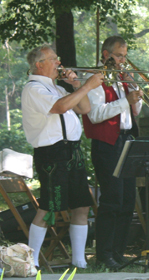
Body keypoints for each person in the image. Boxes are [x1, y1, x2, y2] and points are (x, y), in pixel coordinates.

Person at [22, 45, 104, 268]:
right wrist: (87, 85)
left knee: (81, 205)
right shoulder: (33, 88)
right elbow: (60, 108)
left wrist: (78, 85)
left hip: (72, 151)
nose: (59, 63)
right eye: (53, 59)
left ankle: (79, 261)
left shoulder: (56, 88)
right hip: (52, 153)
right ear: (39, 65)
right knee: (48, 207)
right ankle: (31, 262)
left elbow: (84, 108)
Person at [82, 36, 143, 269]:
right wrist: (126, 100)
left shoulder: (122, 80)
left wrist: (134, 89)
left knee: (128, 201)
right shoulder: (96, 80)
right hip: (107, 144)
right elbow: (95, 115)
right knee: (112, 201)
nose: (122, 61)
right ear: (106, 55)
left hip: (127, 140)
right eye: (119, 56)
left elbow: (134, 111)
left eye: (125, 56)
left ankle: (118, 252)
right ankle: (104, 254)